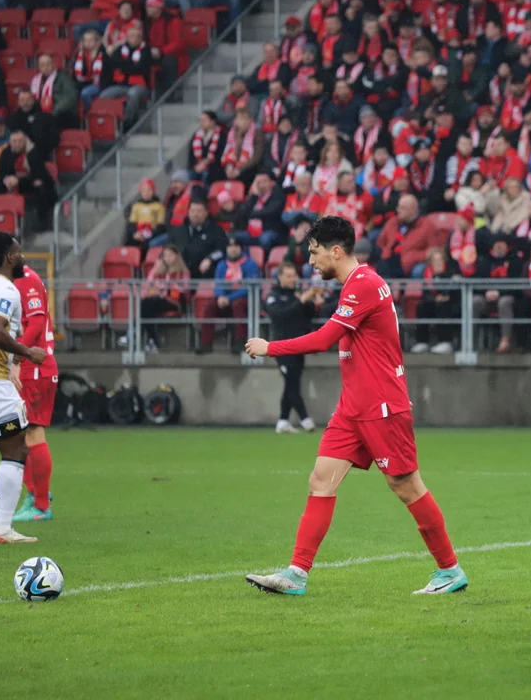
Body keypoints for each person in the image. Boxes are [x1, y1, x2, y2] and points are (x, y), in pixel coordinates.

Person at [243, 215, 468, 596]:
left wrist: (271, 348)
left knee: (406, 486)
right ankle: (296, 574)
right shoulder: (356, 284)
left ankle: (450, 570)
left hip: (382, 405)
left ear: (335, 251)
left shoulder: (364, 284)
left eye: (314, 254)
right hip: (353, 407)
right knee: (320, 481)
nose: (310, 263)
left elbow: (325, 338)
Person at [0, 232, 46, 543]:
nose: (22, 257)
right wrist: (27, 352)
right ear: (9, 257)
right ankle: (1, 528)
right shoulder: (6, 289)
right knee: (15, 450)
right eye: (19, 251)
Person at [10, 263, 57, 524]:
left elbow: (37, 322)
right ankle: (35, 494)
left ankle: (41, 504)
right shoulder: (8, 280)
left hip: (34, 368)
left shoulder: (26, 279)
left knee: (32, 432)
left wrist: (18, 359)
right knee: (16, 434)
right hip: (22, 368)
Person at [265, 261, 321, 434]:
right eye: (288, 276)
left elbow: (309, 315)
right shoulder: (273, 296)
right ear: (280, 277)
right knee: (291, 383)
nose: (292, 279)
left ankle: (282, 420)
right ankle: (305, 419)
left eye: (294, 275)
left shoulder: (296, 294)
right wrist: (301, 300)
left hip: (299, 345)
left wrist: (313, 301)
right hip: (281, 346)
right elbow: (280, 315)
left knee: (292, 383)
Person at [198, 236, 260, 353]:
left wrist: (229, 298)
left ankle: (240, 342)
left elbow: (248, 287)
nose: (232, 249)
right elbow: (218, 284)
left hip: (244, 301)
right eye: (230, 246)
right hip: (225, 301)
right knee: (209, 306)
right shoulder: (222, 265)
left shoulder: (250, 264)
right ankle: (205, 343)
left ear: (241, 248)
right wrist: (220, 296)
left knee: (238, 304)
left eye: (236, 246)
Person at [137, 244, 190, 352]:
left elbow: (184, 289)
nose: (167, 258)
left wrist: (163, 289)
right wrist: (152, 292)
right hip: (155, 300)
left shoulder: (183, 272)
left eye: (170, 255)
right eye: (165, 256)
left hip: (174, 302)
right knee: (146, 305)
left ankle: (134, 333)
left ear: (176, 256)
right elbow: (146, 286)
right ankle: (153, 341)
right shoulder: (156, 270)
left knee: (147, 305)